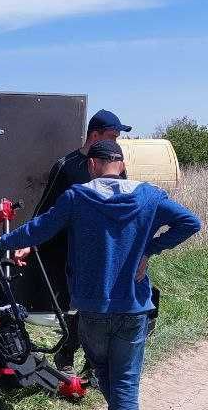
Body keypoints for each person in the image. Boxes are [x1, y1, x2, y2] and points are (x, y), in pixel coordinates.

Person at [0, 139, 201, 410]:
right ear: (122, 165)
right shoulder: (149, 197)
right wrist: (149, 250)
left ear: (92, 166)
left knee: (109, 378)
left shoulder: (78, 197)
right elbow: (190, 223)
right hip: (133, 308)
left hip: (93, 308)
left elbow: (39, 230)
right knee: (123, 382)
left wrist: (4, 241)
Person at [27, 109, 133, 373]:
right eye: (112, 135)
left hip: (103, 250)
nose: (116, 142)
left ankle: (94, 366)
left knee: (101, 308)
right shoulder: (66, 166)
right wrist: (29, 242)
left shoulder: (115, 166)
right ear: (94, 135)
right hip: (68, 252)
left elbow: (124, 206)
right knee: (73, 309)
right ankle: (65, 360)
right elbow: (46, 209)